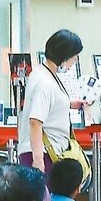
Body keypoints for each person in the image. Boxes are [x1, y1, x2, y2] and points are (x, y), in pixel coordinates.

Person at [18, 30, 85, 175]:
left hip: (47, 153)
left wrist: (70, 104)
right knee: (43, 197)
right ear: (64, 56)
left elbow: (48, 105)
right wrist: (38, 160)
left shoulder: (44, 74)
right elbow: (35, 121)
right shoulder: (45, 82)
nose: (74, 62)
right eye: (74, 57)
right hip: (43, 154)